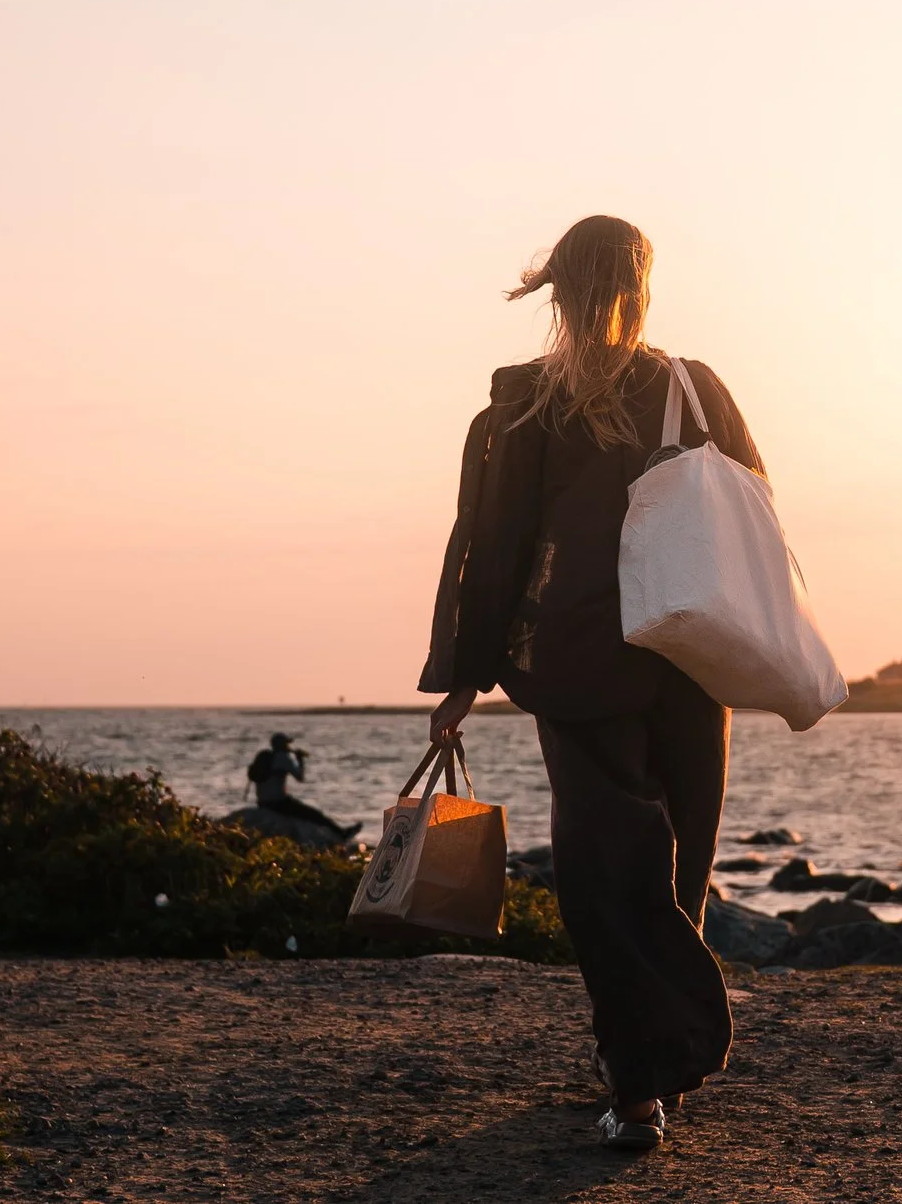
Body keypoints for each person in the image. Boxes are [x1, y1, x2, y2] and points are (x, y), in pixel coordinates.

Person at [419, 215, 763, 1153]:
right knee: (673, 864)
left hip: (578, 666)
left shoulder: (529, 405)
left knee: (611, 874)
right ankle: (652, 1063)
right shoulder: (695, 391)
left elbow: (494, 557)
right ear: (643, 286)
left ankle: (641, 1074)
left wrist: (464, 680)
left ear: (558, 290)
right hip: (693, 661)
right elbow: (755, 515)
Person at [246, 733, 358, 839]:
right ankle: (341, 833)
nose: (288, 746)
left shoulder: (265, 758)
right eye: (286, 744)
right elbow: (300, 777)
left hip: (262, 802)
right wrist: (300, 760)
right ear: (282, 745)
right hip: (278, 803)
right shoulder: (283, 758)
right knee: (314, 815)